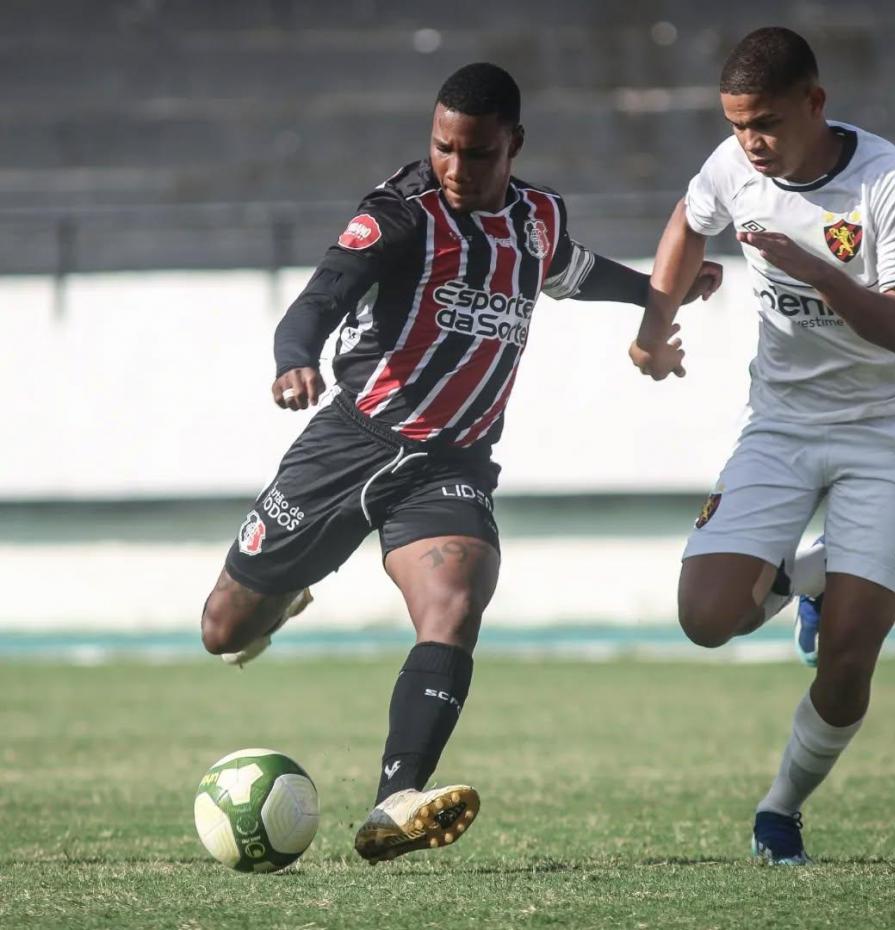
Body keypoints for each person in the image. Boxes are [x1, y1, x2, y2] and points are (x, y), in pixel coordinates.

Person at [200, 62, 721, 864]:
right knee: (223, 627)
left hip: (453, 461)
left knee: (454, 605)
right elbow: (320, 297)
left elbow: (571, 274)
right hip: (350, 443)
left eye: (474, 153)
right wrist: (294, 359)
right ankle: (290, 587)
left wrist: (661, 292)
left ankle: (394, 800)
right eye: (442, 147)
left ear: (513, 144)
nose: (454, 167)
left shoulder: (538, 218)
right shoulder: (400, 216)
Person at [630, 26, 895, 865]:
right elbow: (688, 223)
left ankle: (780, 811)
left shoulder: (888, 184)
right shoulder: (735, 168)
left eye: (763, 122)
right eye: (736, 125)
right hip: (782, 427)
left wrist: (818, 271)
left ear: (815, 103)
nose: (750, 143)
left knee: (847, 661)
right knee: (707, 619)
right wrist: (656, 329)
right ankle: (815, 577)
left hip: (893, 431)